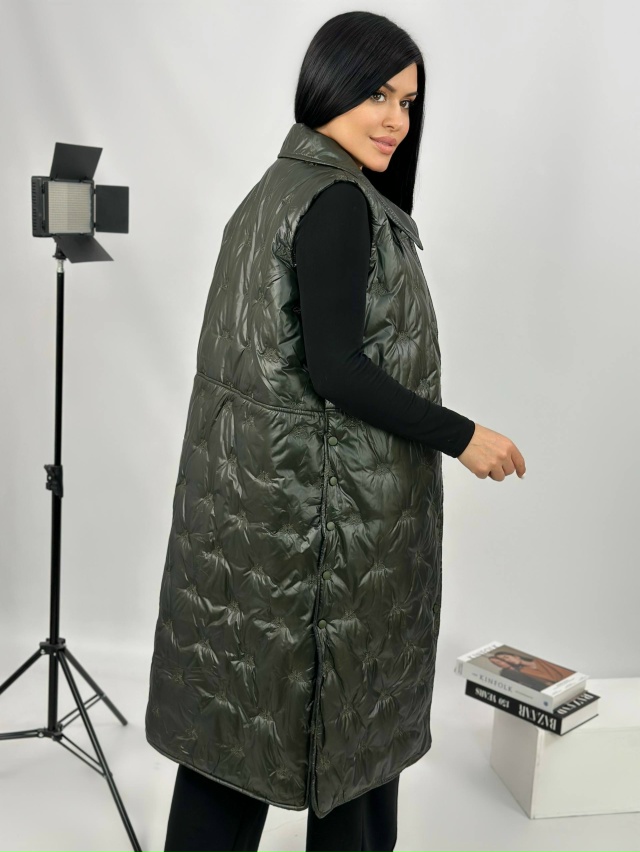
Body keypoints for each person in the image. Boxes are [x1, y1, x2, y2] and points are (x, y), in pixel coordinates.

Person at [146, 11, 526, 852]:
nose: (395, 120)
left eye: (408, 102)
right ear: (327, 86)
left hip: (251, 525)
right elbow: (339, 371)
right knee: (351, 739)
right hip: (329, 531)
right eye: (376, 95)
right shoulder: (338, 203)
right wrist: (464, 436)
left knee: (232, 741)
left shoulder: (275, 189)